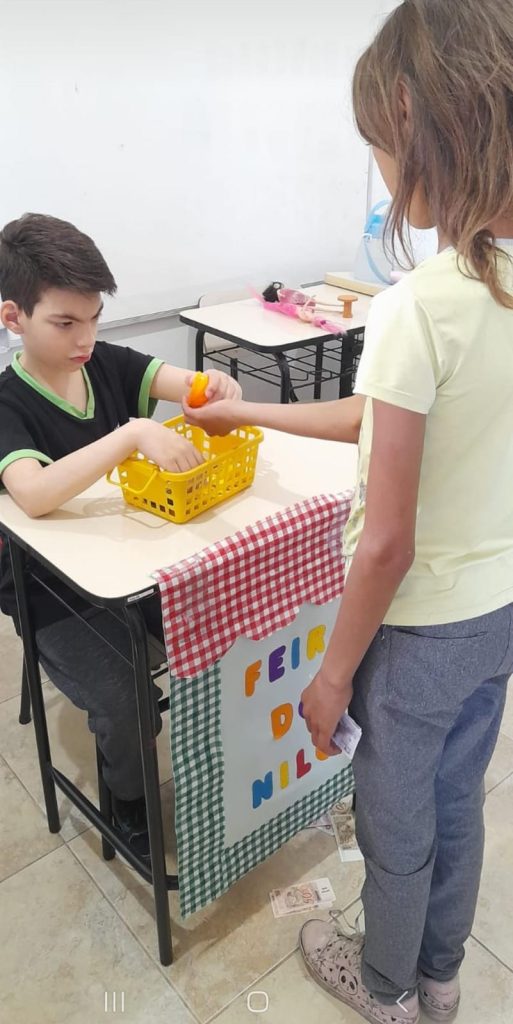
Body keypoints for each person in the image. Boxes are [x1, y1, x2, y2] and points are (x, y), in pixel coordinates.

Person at [183, 1, 513, 1019]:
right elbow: (385, 416)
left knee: (393, 823)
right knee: (457, 800)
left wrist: (330, 679)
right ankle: (442, 976)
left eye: (375, 141)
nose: (375, 166)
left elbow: (387, 545)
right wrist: (250, 409)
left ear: (413, 119)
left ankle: (385, 987)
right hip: (495, 616)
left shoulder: (422, 303)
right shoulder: (494, 291)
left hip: (415, 634)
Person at [0, 212, 241, 862]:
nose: (85, 338)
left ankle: (217, 756)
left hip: (132, 560)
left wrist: (211, 387)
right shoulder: (8, 402)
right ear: (13, 317)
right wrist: (131, 433)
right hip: (52, 594)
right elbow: (33, 493)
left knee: (222, 628)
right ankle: (128, 798)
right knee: (126, 697)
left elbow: (185, 385)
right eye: (65, 323)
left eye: (95, 318)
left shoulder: (105, 364)